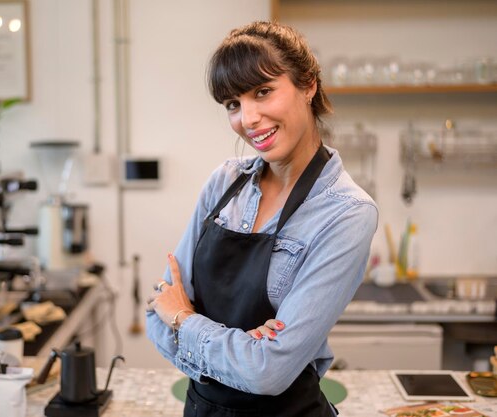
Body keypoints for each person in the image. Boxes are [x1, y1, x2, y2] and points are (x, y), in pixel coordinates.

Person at [146, 21, 378, 417]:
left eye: (263, 92)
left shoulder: (348, 212)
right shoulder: (224, 183)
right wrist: (242, 348)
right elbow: (156, 314)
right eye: (233, 104)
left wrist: (185, 320)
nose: (248, 118)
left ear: (308, 85)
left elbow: (268, 373)